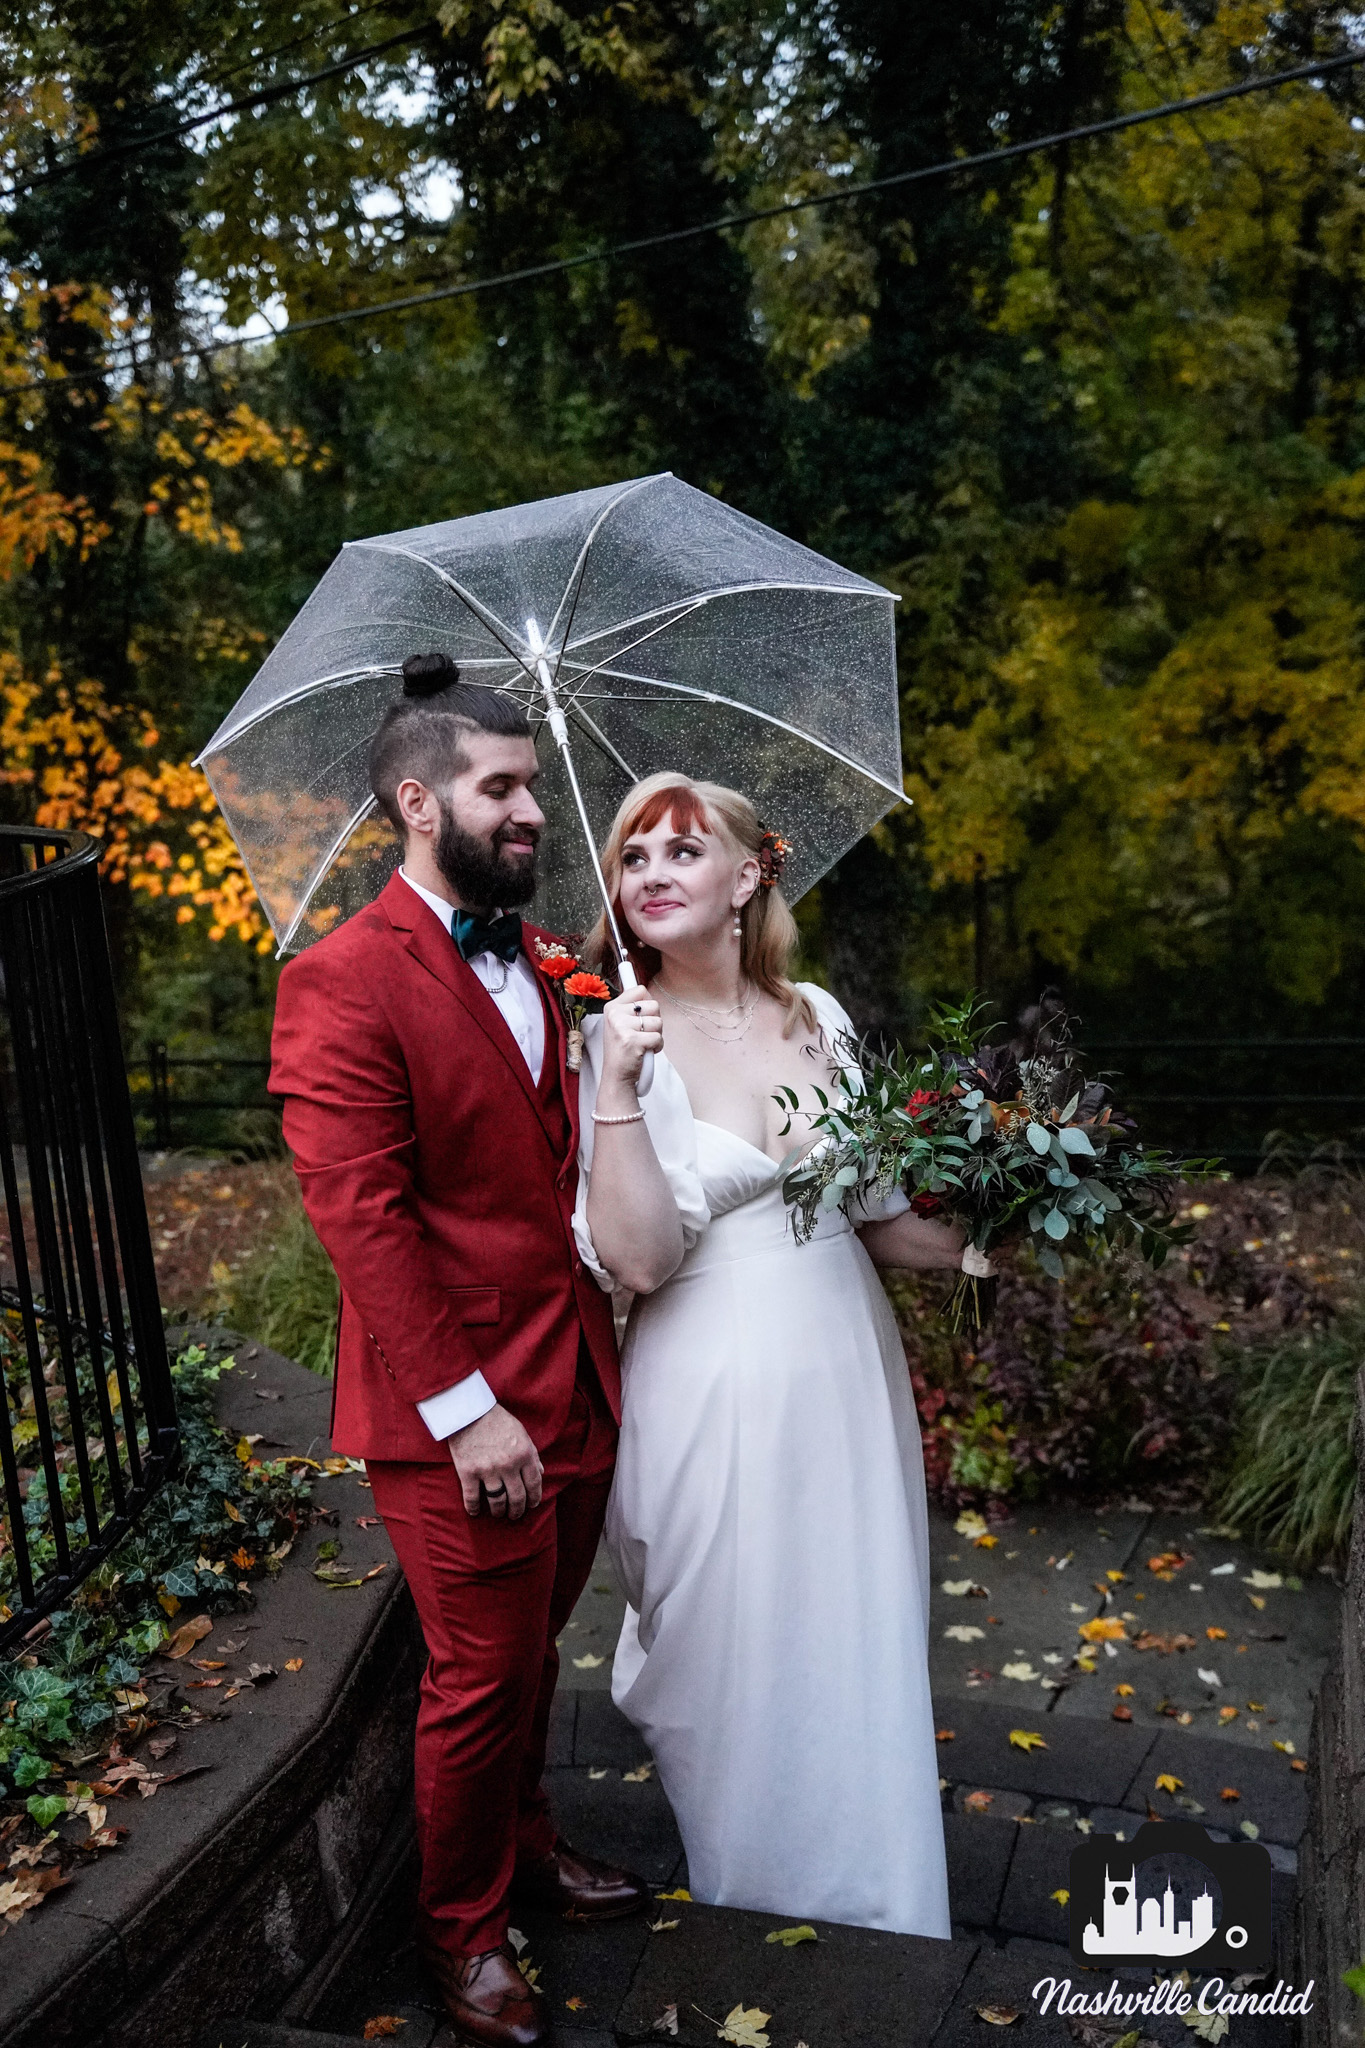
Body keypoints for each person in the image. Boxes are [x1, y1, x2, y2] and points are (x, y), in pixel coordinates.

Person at [269, 652, 648, 2048]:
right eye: (502, 788)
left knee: (537, 1651)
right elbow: (359, 1216)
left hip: (579, 1370)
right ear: (420, 803)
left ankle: (528, 1845)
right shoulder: (339, 981)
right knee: (479, 1679)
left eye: (533, 786)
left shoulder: (544, 963)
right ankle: (462, 1934)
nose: (532, 811)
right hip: (464, 1411)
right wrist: (463, 1408)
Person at [571, 771, 967, 1938]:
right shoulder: (612, 1033)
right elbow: (637, 1260)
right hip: (707, 1379)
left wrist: (999, 1231)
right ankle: (754, 1907)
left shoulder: (820, 1016)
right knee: (732, 1652)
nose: (651, 874)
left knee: (852, 1629)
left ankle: (880, 1898)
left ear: (747, 876)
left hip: (843, 1366)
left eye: (682, 850)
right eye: (632, 857)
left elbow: (878, 1215)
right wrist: (619, 1083)